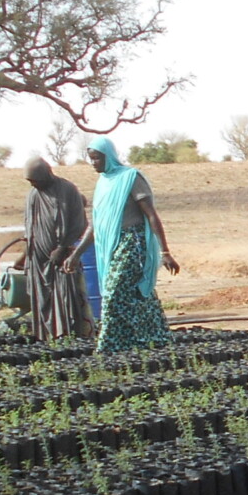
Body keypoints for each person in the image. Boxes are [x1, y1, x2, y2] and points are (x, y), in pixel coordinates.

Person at [64, 137, 179, 352]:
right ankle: (155, 339)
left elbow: (152, 215)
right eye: (91, 159)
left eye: (97, 158)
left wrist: (165, 251)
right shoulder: (103, 184)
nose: (94, 163)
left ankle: (109, 346)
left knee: (114, 292)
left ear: (109, 156)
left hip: (133, 244)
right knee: (136, 294)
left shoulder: (130, 178)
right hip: (111, 246)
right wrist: (77, 254)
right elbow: (97, 225)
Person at [21, 157, 94, 342]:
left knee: (67, 297)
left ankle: (69, 335)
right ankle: (46, 337)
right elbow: (31, 227)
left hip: (62, 258)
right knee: (43, 300)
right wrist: (26, 255)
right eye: (30, 182)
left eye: (35, 180)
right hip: (38, 260)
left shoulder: (67, 190)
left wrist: (62, 248)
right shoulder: (33, 195)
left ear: (47, 174)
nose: (34, 184)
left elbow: (78, 223)